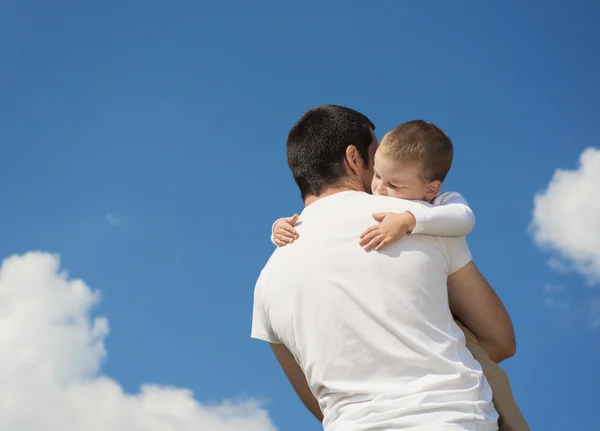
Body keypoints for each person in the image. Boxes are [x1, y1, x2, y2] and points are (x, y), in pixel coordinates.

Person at [251, 104, 515, 431]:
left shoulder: (267, 281)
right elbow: (500, 342)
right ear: (354, 158)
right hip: (450, 419)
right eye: (376, 157)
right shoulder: (420, 220)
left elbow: (320, 404)